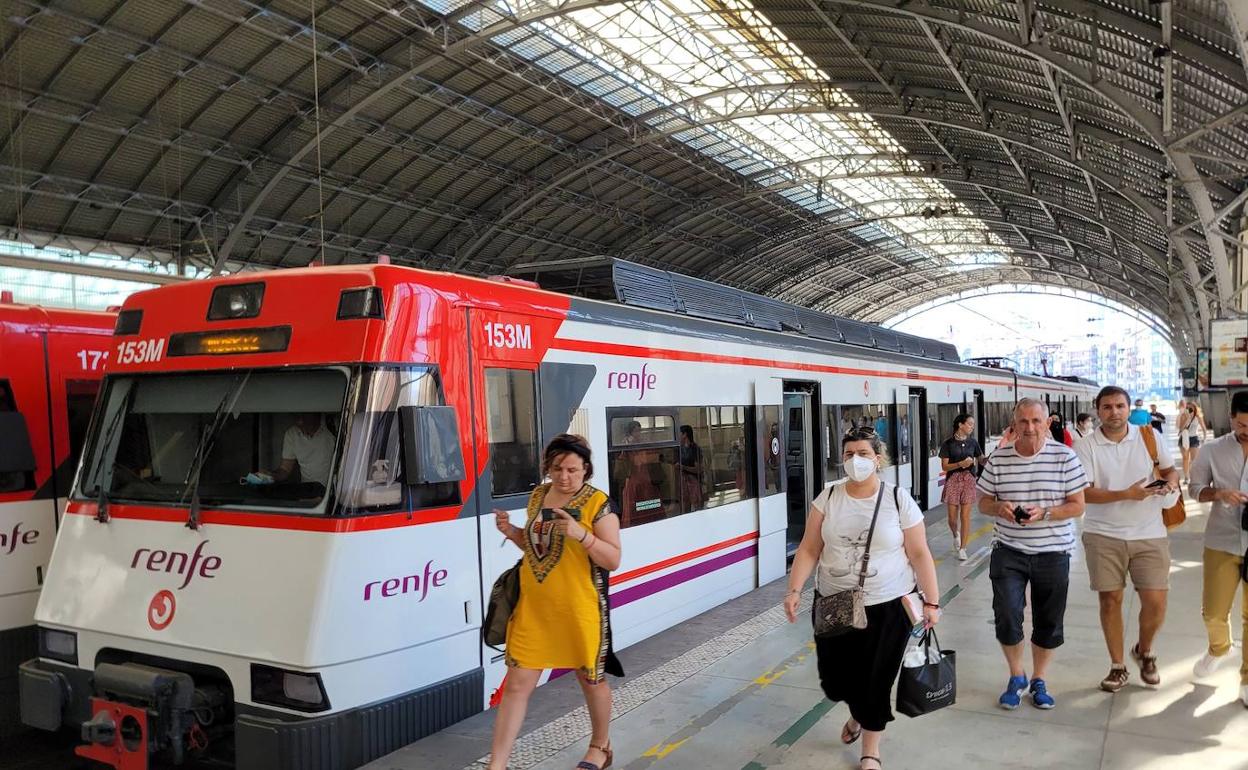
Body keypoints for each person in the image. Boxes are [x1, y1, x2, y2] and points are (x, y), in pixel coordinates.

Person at [784, 428, 939, 770]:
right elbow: (809, 548)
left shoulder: (898, 499)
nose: (856, 460)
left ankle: (871, 750)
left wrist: (932, 601)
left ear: (878, 459)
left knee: (876, 678)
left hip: (888, 604)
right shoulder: (828, 497)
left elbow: (919, 552)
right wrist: (794, 590)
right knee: (836, 680)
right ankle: (858, 712)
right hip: (834, 602)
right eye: (849, 454)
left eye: (863, 453)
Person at [489, 434, 623, 770]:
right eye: (558, 468)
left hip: (579, 609)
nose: (564, 476)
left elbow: (612, 559)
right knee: (517, 685)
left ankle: (600, 746)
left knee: (590, 680)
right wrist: (512, 532)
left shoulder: (599, 504)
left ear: (586, 469)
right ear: (548, 467)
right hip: (533, 609)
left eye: (572, 470)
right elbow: (538, 550)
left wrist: (581, 534)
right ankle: (497, 765)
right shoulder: (538, 496)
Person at [978, 398, 1088, 710]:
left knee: (1048, 620)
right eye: (1023, 421)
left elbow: (1078, 506)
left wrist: (1046, 513)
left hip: (1053, 551)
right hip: (1008, 550)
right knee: (1007, 614)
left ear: (1047, 423)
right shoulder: (999, 459)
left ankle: (1039, 678)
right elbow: (983, 502)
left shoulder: (1065, 457)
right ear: (1014, 425)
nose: (1029, 427)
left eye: (1036, 421)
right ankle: (1017, 675)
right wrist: (999, 507)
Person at [1073, 386, 1178, 692]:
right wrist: (1127, 494)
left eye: (1120, 406)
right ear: (1098, 410)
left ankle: (1144, 650)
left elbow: (1170, 471)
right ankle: (1117, 666)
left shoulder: (1149, 436)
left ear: (1129, 409)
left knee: (1156, 602)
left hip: (1150, 533)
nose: (1114, 412)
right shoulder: (1086, 446)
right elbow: (1083, 492)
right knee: (1110, 601)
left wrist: (1170, 486)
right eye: (1107, 407)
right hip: (1103, 534)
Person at [1188, 391, 1248, 709]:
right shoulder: (1212, 450)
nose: (1247, 430)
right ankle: (1219, 647)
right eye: (1242, 424)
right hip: (1221, 540)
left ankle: (1247, 680)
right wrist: (1220, 494)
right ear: (1231, 418)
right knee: (1213, 611)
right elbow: (1195, 489)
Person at [938, 413, 987, 561]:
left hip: (969, 479)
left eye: (973, 424)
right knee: (952, 518)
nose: (972, 427)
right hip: (953, 480)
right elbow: (945, 466)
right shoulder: (948, 444)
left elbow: (981, 459)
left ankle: (963, 548)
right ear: (960, 425)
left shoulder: (973, 443)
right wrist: (961, 464)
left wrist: (988, 459)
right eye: (970, 424)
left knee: (965, 516)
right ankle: (956, 534)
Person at [270, 413, 334, 485]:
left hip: (334, 489)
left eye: (304, 416)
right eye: (297, 416)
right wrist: (270, 476)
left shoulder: (332, 427)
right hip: (308, 489)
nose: (300, 421)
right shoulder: (292, 434)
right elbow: (285, 469)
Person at [1177, 402, 1207, 483]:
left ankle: (1194, 476)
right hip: (1184, 439)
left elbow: (1204, 428)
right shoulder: (1183, 416)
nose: (1189, 410)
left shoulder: (1198, 417)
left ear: (1194, 409)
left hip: (1194, 439)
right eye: (1187, 408)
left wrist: (1204, 438)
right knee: (1185, 458)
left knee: (1194, 460)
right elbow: (1180, 429)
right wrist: (1187, 419)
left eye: (1191, 408)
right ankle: (1186, 477)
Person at [678, 425, 704, 512]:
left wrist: (683, 467)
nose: (678, 436)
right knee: (685, 504)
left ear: (685, 434)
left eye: (680, 433)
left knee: (697, 504)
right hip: (684, 480)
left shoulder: (694, 448)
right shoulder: (681, 448)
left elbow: (698, 469)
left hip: (693, 480)